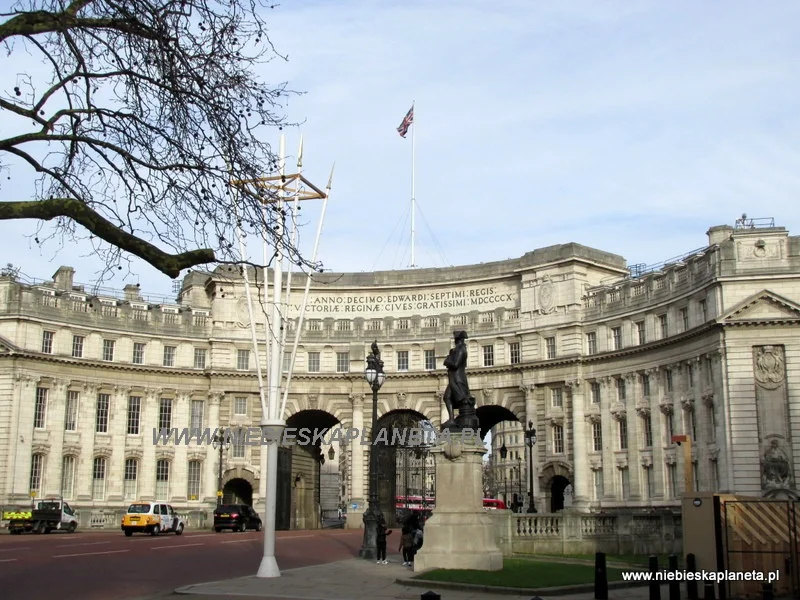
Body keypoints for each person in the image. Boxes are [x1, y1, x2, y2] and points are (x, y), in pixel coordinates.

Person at [442, 330, 469, 428]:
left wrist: (446, 361)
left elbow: (455, 364)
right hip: (454, 378)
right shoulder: (457, 349)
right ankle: (452, 420)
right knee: (447, 397)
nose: (454, 340)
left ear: (459, 339)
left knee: (455, 398)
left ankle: (453, 419)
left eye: (456, 338)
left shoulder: (461, 349)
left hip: (458, 378)